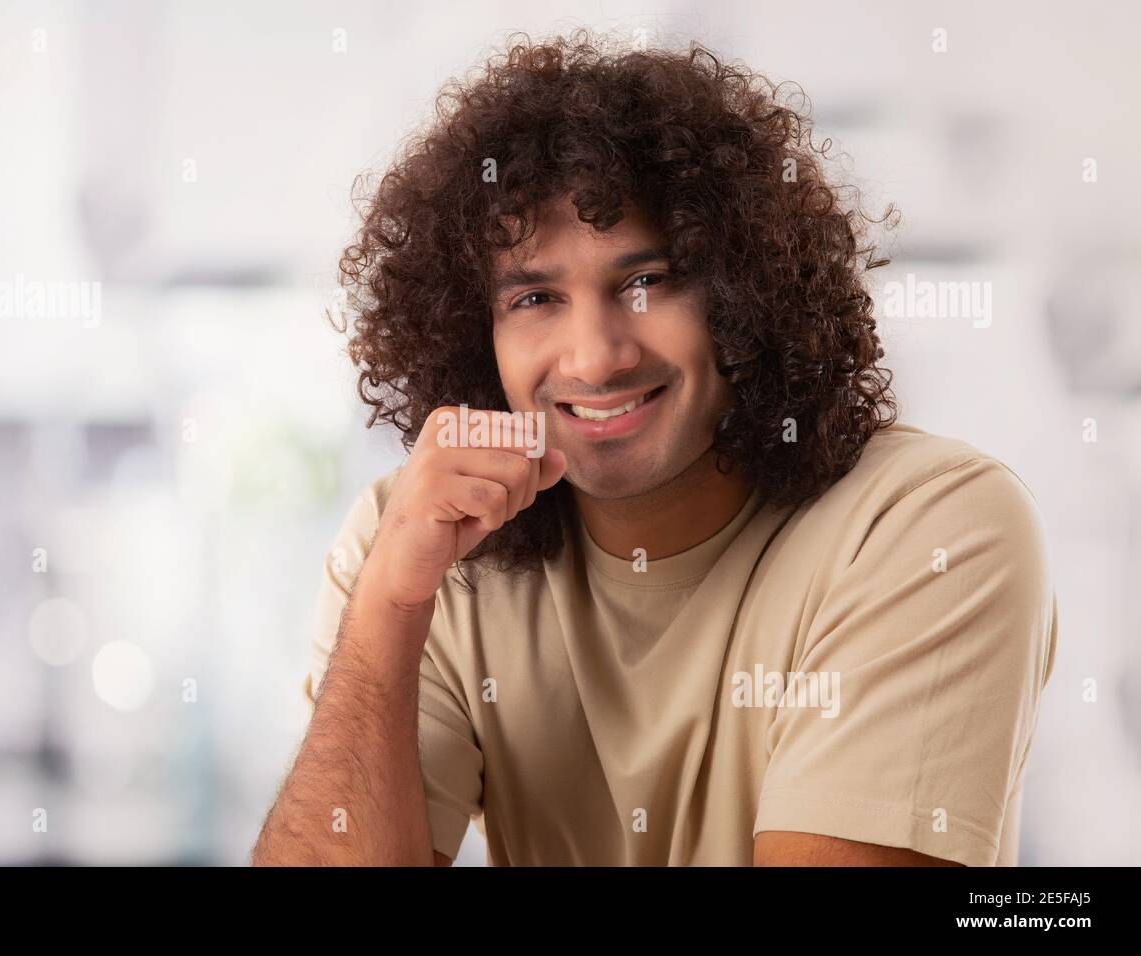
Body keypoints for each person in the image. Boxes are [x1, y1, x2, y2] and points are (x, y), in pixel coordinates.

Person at [251, 30, 1057, 867]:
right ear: (471, 332)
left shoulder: (926, 529)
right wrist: (390, 603)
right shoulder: (417, 542)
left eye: (648, 282)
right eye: (534, 297)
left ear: (743, 295)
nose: (596, 357)